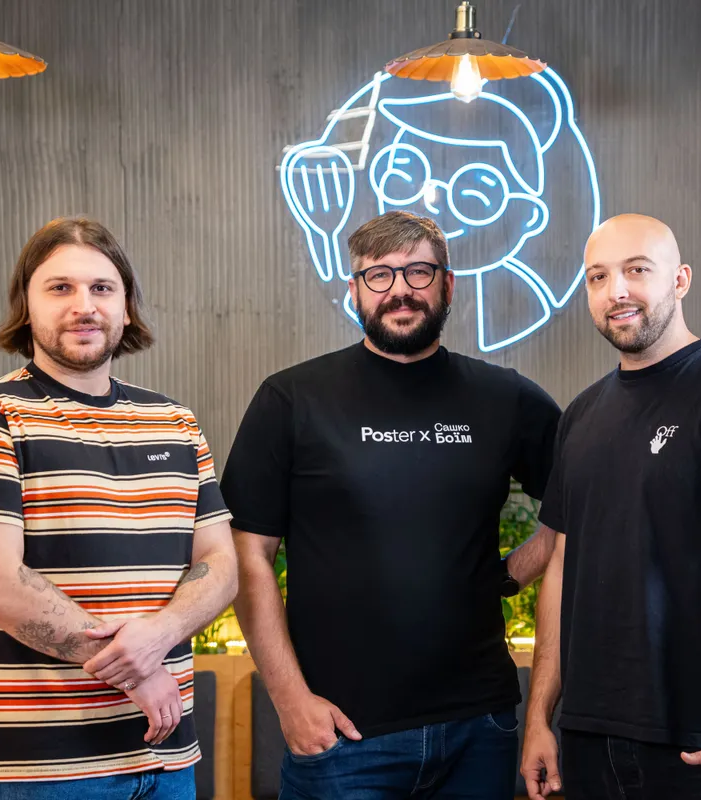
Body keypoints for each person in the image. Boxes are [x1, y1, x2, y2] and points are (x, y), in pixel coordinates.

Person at [221, 210, 563, 798]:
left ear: (448, 285)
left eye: (418, 272)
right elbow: (247, 555)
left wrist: (511, 573)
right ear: (355, 290)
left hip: (480, 726)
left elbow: (581, 506)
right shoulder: (292, 399)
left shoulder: (504, 398)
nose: (399, 289)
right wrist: (290, 699)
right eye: (378, 275)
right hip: (343, 737)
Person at [0, 217, 237, 799]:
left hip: (170, 762)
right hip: (44, 773)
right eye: (60, 287)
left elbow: (220, 563)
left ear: (126, 307)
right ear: (26, 306)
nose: (84, 305)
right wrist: (138, 673)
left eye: (101, 288)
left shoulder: (174, 421)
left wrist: (161, 634)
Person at [520, 214, 701, 800]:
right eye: (598, 277)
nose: (616, 291)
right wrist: (540, 719)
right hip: (586, 737)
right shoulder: (581, 416)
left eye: (636, 270)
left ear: (680, 280)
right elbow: (562, 569)